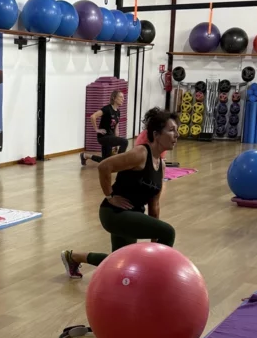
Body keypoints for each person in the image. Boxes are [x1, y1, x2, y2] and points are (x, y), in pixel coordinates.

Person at [61, 107, 178, 279]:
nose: (176, 135)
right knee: (169, 232)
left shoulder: (161, 165)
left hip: (133, 214)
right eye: (171, 130)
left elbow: (154, 205)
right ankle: (158, 278)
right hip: (114, 213)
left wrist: (156, 243)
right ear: (156, 134)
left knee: (123, 263)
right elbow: (104, 166)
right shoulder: (140, 153)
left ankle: (73, 257)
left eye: (177, 130)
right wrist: (110, 196)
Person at [81, 89, 127, 165]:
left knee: (106, 161)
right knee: (125, 141)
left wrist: (117, 142)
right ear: (114, 98)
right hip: (103, 137)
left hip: (111, 137)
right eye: (121, 97)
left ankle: (85, 155)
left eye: (123, 97)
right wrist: (97, 129)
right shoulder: (107, 109)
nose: (123, 99)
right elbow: (93, 116)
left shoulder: (118, 112)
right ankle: (119, 162)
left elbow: (116, 128)